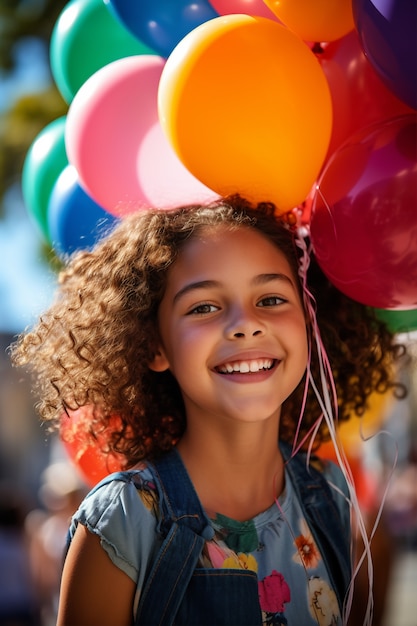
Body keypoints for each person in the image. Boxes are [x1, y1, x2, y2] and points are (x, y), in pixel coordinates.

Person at [10, 195, 406, 626]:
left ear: (310, 323)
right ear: (154, 345)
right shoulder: (121, 523)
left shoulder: (335, 502)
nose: (245, 323)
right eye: (203, 307)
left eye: (271, 298)